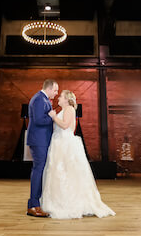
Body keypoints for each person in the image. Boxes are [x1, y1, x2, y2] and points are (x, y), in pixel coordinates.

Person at [40, 90, 115, 219]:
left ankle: (71, 203)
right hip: (58, 143)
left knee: (68, 172)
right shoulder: (64, 110)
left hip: (65, 143)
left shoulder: (69, 109)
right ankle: (59, 200)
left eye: (61, 97)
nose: (58, 98)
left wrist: (53, 117)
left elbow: (65, 125)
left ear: (67, 100)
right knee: (58, 172)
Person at [26, 79, 59, 218]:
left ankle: (36, 203)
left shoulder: (42, 99)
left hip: (41, 140)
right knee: (38, 170)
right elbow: (39, 120)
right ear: (49, 88)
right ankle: (33, 205)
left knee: (40, 170)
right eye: (56, 90)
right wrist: (53, 117)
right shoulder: (40, 99)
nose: (56, 94)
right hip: (39, 140)